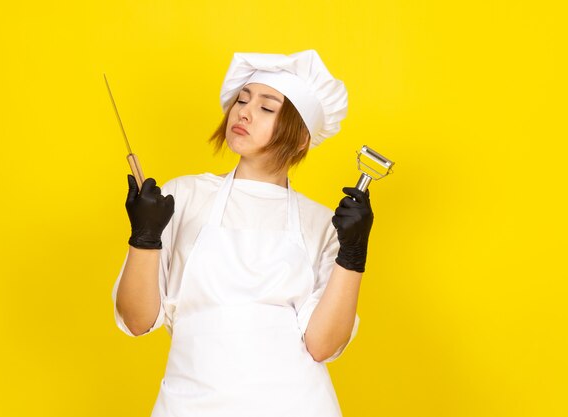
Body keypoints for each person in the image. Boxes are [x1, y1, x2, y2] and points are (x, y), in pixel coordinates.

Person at [111, 50, 374, 417]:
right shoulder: (182, 197)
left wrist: (353, 254)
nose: (244, 112)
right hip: (190, 404)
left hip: (297, 405)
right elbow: (137, 320)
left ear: (300, 138)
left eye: (267, 108)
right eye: (242, 99)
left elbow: (322, 346)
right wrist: (144, 237)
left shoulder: (322, 224)